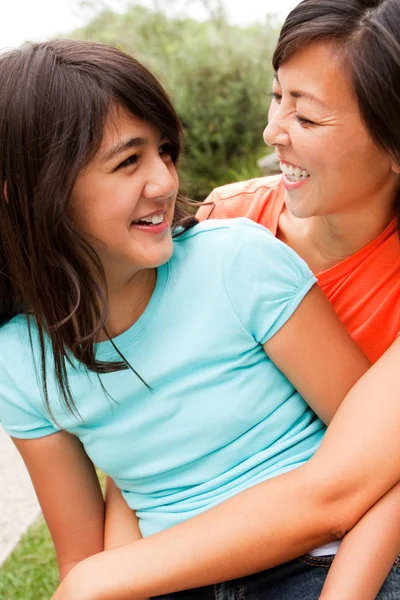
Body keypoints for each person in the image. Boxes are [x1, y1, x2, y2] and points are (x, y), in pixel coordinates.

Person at [0, 33, 391, 600]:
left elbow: (380, 467)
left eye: (163, 152)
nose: (164, 182)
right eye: (128, 161)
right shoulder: (20, 361)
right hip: (178, 579)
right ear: (28, 194)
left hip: (318, 564)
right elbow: (86, 565)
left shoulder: (236, 260)